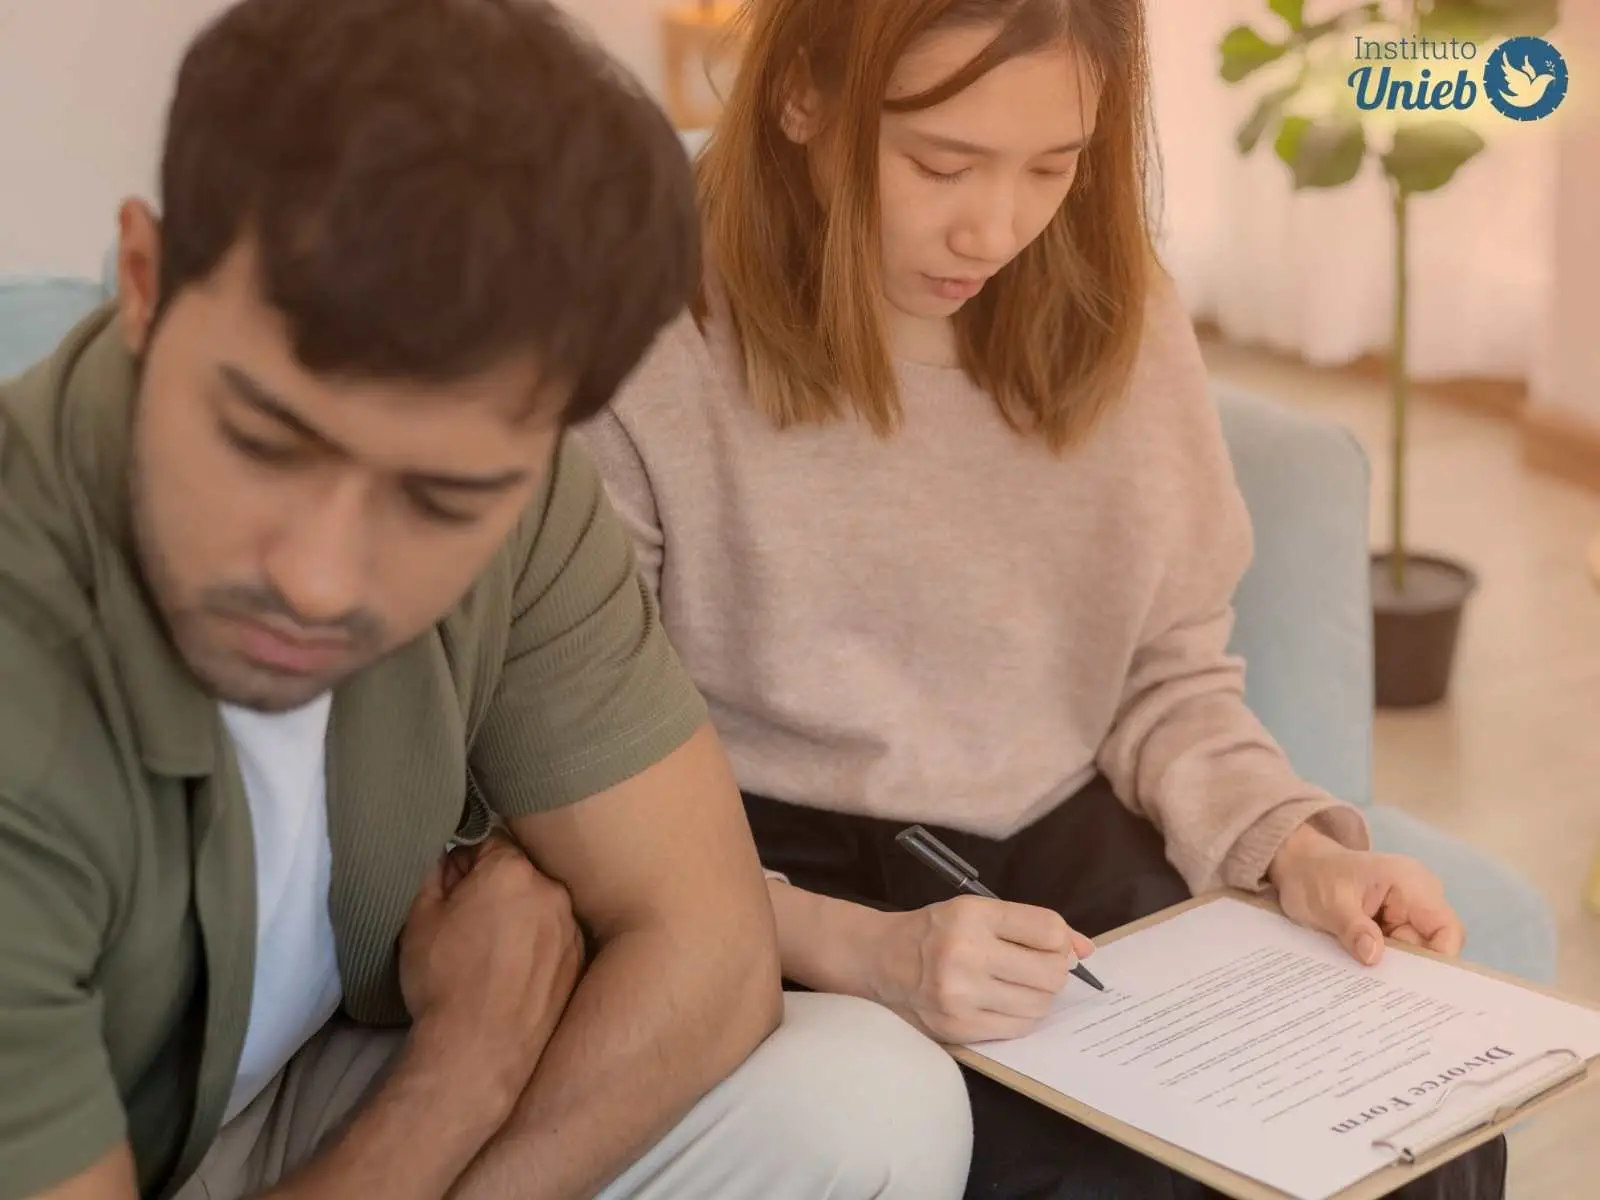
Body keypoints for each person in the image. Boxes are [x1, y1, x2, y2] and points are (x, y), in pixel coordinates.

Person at [0, 2, 975, 1198]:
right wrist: (457, 1078)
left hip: (281, 1107)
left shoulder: (527, 488)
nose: (316, 575)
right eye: (263, 441)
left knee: (864, 1104)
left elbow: (706, 945)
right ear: (145, 286)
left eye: (440, 498)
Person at [577, 0, 1508, 1196]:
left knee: (1417, 1133)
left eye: (1053, 166)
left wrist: (1290, 848)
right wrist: (857, 949)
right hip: (757, 868)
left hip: (1068, 843)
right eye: (940, 162)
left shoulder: (1119, 308)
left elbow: (1164, 673)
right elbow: (587, 778)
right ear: (802, 97)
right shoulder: (649, 333)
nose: (995, 226)